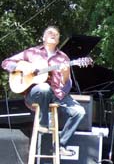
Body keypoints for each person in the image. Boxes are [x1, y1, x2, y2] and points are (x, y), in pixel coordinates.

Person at [1, 26, 85, 156]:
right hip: (35, 94)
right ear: (43, 38)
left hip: (56, 94)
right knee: (44, 87)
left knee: (79, 112)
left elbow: (66, 84)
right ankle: (43, 122)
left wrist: (65, 72)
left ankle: (60, 145)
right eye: (50, 33)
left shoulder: (63, 58)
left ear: (58, 40)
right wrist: (22, 68)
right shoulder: (32, 52)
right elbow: (6, 63)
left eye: (56, 34)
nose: (53, 34)